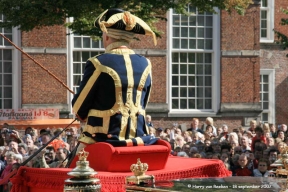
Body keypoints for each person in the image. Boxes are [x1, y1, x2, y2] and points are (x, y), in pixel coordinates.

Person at [72, 8, 158, 150]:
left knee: (73, 167)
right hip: (139, 139)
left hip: (103, 140)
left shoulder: (98, 63)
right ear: (130, 38)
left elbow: (79, 109)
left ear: (106, 36)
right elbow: (143, 103)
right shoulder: (146, 64)